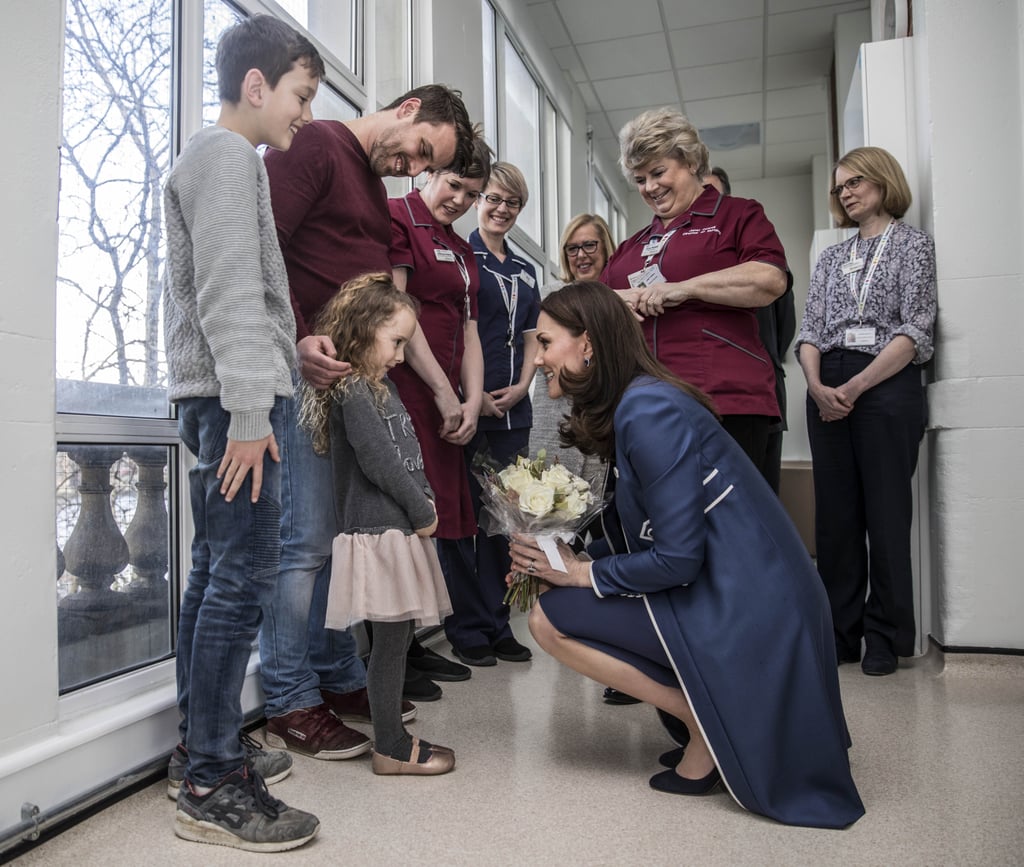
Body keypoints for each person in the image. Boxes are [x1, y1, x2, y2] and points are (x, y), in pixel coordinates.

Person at [508, 281, 865, 830]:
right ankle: (707, 714)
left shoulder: (648, 410)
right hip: (738, 588)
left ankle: (704, 721)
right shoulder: (641, 400)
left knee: (548, 618)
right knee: (560, 594)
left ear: (589, 345)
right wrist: (557, 556)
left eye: (546, 341)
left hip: (749, 606)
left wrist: (581, 574)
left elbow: (677, 559)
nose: (538, 357)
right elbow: (648, 530)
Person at [260, 83, 477, 744]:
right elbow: (261, 245)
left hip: (345, 382)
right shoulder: (318, 145)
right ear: (409, 110)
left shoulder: (373, 192)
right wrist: (298, 337)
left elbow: (382, 307)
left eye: (425, 166)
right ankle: (289, 694)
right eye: (418, 152)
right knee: (300, 542)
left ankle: (332, 672)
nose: (413, 169)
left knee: (333, 538)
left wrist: (438, 390)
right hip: (300, 374)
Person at [162, 15, 323, 851]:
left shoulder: (215, 159)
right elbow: (228, 292)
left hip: (223, 394)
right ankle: (212, 777)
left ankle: (201, 748)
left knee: (215, 573)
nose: (302, 115)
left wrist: (286, 351)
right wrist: (255, 411)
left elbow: (232, 299)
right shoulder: (227, 158)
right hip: (236, 405)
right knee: (243, 579)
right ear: (256, 86)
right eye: (299, 96)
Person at [299, 273, 456, 776]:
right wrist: (423, 510)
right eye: (396, 342)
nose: (400, 355)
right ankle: (390, 745)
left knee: (396, 638)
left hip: (398, 529)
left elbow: (405, 455)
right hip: (380, 532)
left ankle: (392, 736)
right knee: (390, 643)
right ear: (364, 330)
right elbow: (379, 463)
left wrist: (423, 499)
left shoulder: (379, 385)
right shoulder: (352, 391)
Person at [796, 146, 936, 676]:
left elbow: (915, 329)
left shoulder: (911, 246)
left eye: (856, 182)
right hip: (826, 385)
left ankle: (884, 634)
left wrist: (855, 385)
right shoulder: (832, 257)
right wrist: (815, 384)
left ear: (882, 181)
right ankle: (840, 631)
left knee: (885, 514)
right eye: (840, 187)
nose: (847, 193)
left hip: (884, 384)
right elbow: (810, 330)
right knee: (836, 520)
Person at [603, 108, 790, 483]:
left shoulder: (738, 216)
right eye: (640, 179)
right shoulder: (632, 246)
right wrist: (614, 304)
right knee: (666, 526)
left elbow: (769, 279)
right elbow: (592, 307)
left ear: (690, 162)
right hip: (646, 406)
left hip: (723, 402)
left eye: (658, 173)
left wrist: (684, 289)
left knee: (729, 523)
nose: (650, 187)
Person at [388, 137, 496, 667]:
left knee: (441, 520)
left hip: (451, 400)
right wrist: (440, 390)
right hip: (410, 390)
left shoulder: (463, 247)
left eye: (471, 193)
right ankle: (396, 650)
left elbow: (470, 329)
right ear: (430, 174)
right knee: (406, 516)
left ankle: (417, 637)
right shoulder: (398, 217)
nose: (459, 199)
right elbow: (398, 317)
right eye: (454, 185)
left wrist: (472, 400)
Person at [464, 162, 541, 665]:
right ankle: (470, 628)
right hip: (473, 407)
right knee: (469, 522)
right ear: (479, 200)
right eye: (493, 198)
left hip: (515, 409)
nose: (501, 209)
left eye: (511, 202)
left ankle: (499, 621)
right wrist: (480, 395)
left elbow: (536, 335)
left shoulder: (525, 269)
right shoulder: (463, 258)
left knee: (504, 523)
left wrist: (523, 386)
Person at [706, 166, 797, 494]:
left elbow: (784, 328)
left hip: (760, 400)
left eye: (708, 194)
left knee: (759, 497)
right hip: (706, 399)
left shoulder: (759, 260)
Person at [528, 214, 615, 484]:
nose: (581, 255)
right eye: (572, 248)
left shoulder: (620, 298)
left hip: (605, 418)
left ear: (606, 247)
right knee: (551, 505)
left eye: (590, 245)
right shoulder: (550, 296)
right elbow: (540, 356)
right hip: (556, 416)